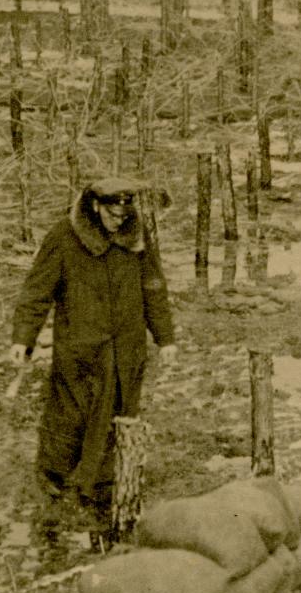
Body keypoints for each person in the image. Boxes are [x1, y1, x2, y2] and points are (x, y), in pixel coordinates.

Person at [10, 177, 176, 533]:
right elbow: (37, 291)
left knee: (120, 415)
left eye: (124, 215)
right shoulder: (63, 237)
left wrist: (165, 338)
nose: (118, 221)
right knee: (70, 416)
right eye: (112, 214)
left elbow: (153, 287)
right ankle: (54, 481)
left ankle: (104, 488)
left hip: (126, 349)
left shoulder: (137, 237)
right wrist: (23, 338)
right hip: (80, 349)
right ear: (96, 206)